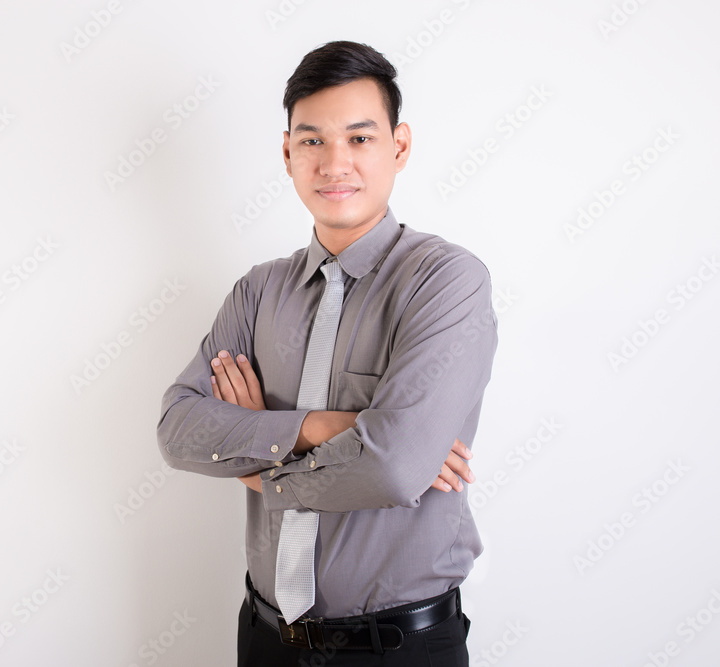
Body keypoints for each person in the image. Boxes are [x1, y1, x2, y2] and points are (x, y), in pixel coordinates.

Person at [156, 40, 498, 666]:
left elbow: (392, 468)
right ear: (287, 154)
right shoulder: (258, 291)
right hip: (265, 638)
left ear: (399, 147)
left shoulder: (446, 281)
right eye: (312, 141)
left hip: (399, 647)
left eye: (360, 139)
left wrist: (255, 461)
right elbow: (178, 429)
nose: (334, 162)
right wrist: (334, 429)